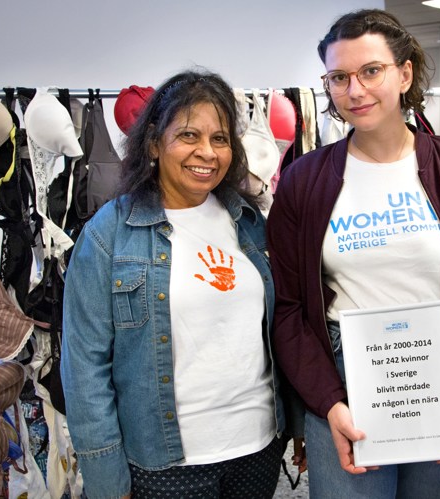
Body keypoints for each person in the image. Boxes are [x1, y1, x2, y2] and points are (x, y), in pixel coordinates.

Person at [267, 9, 440, 498]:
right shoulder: (305, 179)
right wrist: (328, 403)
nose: (355, 90)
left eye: (371, 71)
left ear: (404, 74)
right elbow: (290, 308)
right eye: (339, 77)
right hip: (344, 383)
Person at [61, 69, 293, 499]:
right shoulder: (109, 234)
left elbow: (276, 334)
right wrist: (107, 480)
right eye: (188, 135)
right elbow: (84, 368)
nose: (206, 152)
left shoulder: (249, 223)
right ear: (153, 142)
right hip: (165, 463)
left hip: (258, 447)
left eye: (220, 139)